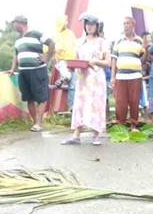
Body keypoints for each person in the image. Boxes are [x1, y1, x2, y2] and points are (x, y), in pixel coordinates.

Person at [63, 14, 109, 145]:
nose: (90, 27)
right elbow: (76, 59)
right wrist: (72, 67)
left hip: (96, 78)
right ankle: (76, 134)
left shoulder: (102, 42)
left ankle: (96, 135)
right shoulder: (80, 42)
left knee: (96, 104)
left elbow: (108, 62)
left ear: (96, 26)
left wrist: (95, 61)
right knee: (79, 104)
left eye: (92, 24)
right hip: (83, 78)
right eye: (87, 24)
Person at [8, 15, 55, 133]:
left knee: (41, 97)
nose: (13, 26)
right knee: (28, 98)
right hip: (23, 71)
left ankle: (38, 123)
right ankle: (35, 122)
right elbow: (16, 55)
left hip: (37, 69)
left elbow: (51, 43)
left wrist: (47, 56)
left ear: (20, 23)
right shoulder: (18, 40)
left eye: (14, 23)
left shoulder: (36, 34)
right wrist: (13, 68)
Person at [110, 16, 144, 131]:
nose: (126, 26)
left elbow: (143, 58)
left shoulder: (139, 40)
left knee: (134, 101)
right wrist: (112, 76)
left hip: (135, 75)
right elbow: (114, 59)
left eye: (128, 23)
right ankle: (121, 125)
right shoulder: (118, 40)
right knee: (120, 102)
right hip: (121, 76)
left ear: (133, 25)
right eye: (124, 23)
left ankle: (134, 124)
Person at [49, 15, 77, 114]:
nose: (67, 22)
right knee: (67, 75)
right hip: (61, 60)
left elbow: (75, 47)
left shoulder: (70, 34)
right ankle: (64, 77)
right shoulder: (55, 36)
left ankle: (72, 106)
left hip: (72, 61)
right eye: (65, 20)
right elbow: (50, 49)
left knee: (73, 85)